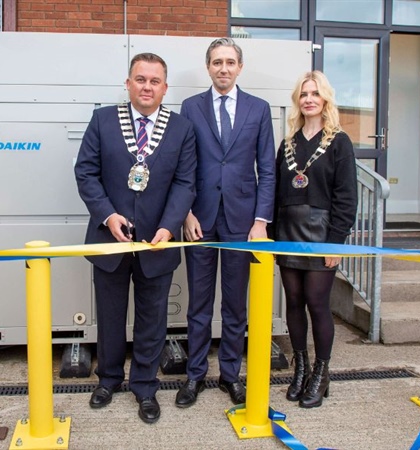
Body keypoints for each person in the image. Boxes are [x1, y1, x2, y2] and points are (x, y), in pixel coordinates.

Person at [74, 53, 197, 424]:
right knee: (110, 317)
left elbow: (185, 182)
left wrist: (169, 224)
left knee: (152, 320)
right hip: (109, 239)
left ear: (165, 87)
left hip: (157, 243)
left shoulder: (181, 129)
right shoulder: (103, 120)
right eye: (140, 79)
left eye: (154, 81)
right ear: (127, 83)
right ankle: (108, 380)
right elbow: (86, 172)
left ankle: (145, 386)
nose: (147, 86)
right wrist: (108, 215)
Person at [175, 37, 276, 408]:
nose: (223, 68)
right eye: (217, 62)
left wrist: (261, 220)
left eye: (230, 62)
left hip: (243, 222)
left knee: (235, 305)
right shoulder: (190, 107)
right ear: (208, 67)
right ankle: (195, 375)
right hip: (199, 221)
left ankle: (230, 375)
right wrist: (185, 213)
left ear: (239, 67)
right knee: (199, 304)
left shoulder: (258, 109)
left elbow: (267, 169)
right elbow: (182, 167)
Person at [273, 70, 357, 408]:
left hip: (322, 232)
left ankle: (322, 375)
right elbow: (278, 192)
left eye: (315, 93)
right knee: (293, 301)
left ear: (325, 99)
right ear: (298, 99)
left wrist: (336, 241)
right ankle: (301, 369)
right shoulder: (289, 142)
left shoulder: (339, 141)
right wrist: (270, 235)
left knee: (316, 302)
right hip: (287, 232)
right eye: (304, 93)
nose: (309, 99)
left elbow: (347, 197)